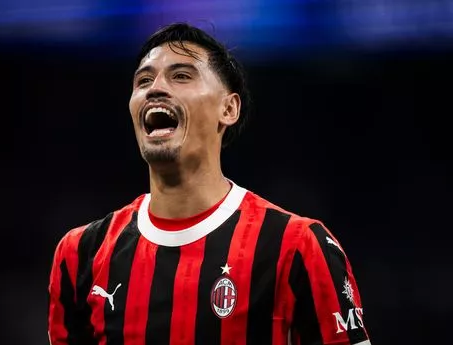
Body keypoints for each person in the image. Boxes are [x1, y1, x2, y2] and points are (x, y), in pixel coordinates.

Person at [47, 23, 370, 345]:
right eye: (144, 80)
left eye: (181, 76)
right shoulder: (81, 254)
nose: (155, 88)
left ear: (228, 108)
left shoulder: (296, 244)